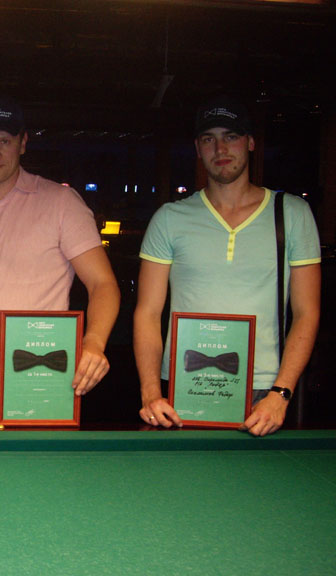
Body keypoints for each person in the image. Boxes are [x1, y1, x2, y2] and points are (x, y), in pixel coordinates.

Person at [134, 95, 321, 436]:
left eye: (231, 136)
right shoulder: (169, 218)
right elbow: (147, 312)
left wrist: (281, 393)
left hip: (265, 393)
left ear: (250, 142)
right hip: (183, 383)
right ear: (198, 148)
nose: (220, 148)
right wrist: (150, 393)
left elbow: (307, 312)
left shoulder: (292, 214)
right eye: (209, 139)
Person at [0, 94, 120, 423]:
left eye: (5, 141)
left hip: (38, 367)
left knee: (39, 458)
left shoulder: (61, 203)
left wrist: (93, 342)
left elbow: (103, 284)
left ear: (23, 143)